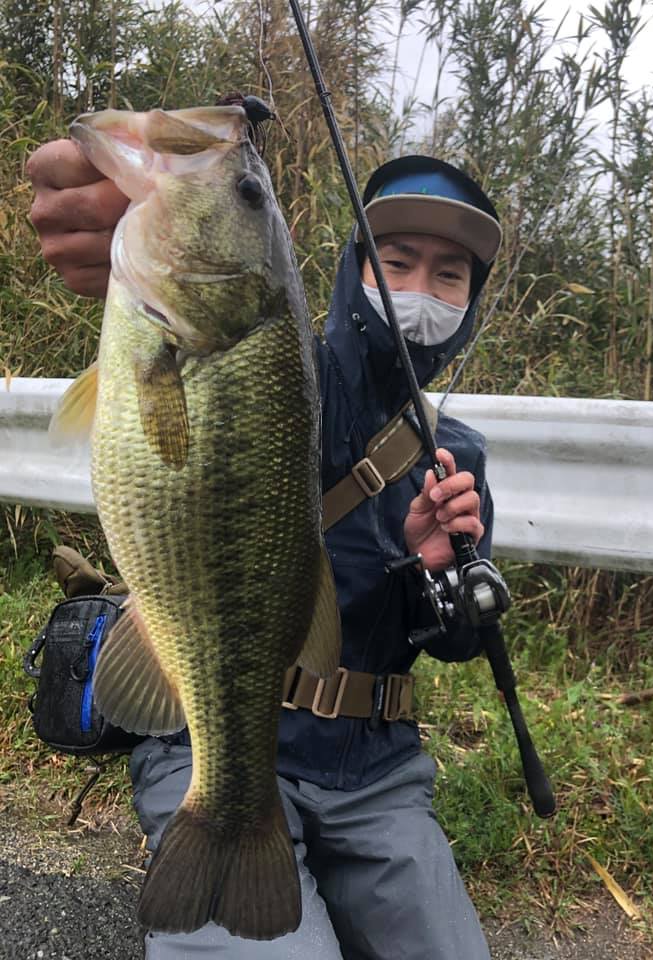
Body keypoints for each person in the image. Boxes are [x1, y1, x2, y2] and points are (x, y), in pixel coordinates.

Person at [27, 135, 503, 959]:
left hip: (378, 778)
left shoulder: (456, 452)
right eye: (395, 259)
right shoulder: (272, 360)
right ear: (352, 265)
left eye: (449, 273)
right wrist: (118, 226)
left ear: (470, 300)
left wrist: (435, 574)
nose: (420, 290)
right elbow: (162, 291)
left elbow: (455, 641)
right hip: (214, 738)